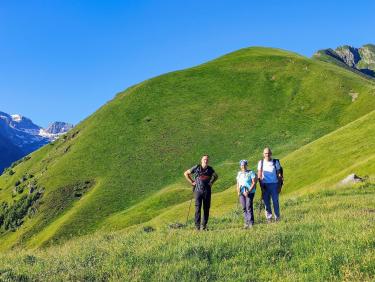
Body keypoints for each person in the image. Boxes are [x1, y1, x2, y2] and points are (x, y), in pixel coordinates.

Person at [184, 155, 218, 230]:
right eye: (204, 159)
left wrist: (211, 182)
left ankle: (204, 226)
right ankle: (197, 227)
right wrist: (192, 182)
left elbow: (216, 176)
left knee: (206, 208)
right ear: (201, 160)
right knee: (197, 209)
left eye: (207, 160)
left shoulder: (210, 169)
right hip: (197, 191)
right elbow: (186, 173)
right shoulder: (196, 167)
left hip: (207, 191)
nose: (206, 161)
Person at [257, 147, 283, 222]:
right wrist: (261, 185)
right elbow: (259, 175)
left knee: (275, 201)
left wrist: (279, 185)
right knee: (267, 203)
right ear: (263, 154)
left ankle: (277, 218)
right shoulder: (261, 163)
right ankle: (269, 218)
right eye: (265, 153)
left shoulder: (275, 162)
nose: (267, 155)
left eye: (268, 153)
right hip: (265, 185)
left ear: (271, 153)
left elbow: (279, 174)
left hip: (274, 184)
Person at [236, 160, 257, 228]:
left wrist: (248, 191)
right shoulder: (239, 173)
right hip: (241, 192)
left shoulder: (251, 172)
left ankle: (251, 222)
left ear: (246, 165)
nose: (243, 166)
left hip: (249, 192)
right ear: (240, 166)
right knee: (244, 207)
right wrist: (238, 191)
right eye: (242, 165)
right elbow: (238, 183)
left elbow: (254, 182)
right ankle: (246, 222)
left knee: (248, 207)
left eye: (244, 165)